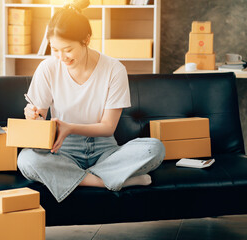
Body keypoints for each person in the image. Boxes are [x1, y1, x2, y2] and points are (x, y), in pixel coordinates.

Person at [17, 0, 165, 203]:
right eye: (55, 49)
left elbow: (107, 128)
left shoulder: (114, 69)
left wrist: (70, 127)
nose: (61, 57)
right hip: (62, 151)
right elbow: (40, 121)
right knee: (26, 160)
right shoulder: (47, 68)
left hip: (105, 151)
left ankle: (71, 177)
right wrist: (32, 117)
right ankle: (106, 181)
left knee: (154, 148)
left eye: (68, 49)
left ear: (86, 39)